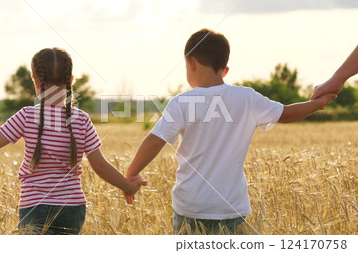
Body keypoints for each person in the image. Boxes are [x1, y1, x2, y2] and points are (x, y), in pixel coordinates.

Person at [125, 29, 336, 235]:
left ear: (190, 63)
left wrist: (131, 173)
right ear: (225, 69)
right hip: (232, 207)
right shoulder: (246, 97)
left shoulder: (182, 102)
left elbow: (155, 141)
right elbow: (287, 114)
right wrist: (318, 103)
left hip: (191, 206)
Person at [0, 47, 146, 235]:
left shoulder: (26, 116)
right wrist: (127, 186)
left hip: (34, 208)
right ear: (71, 79)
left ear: (35, 79)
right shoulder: (81, 119)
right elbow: (100, 166)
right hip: (73, 208)